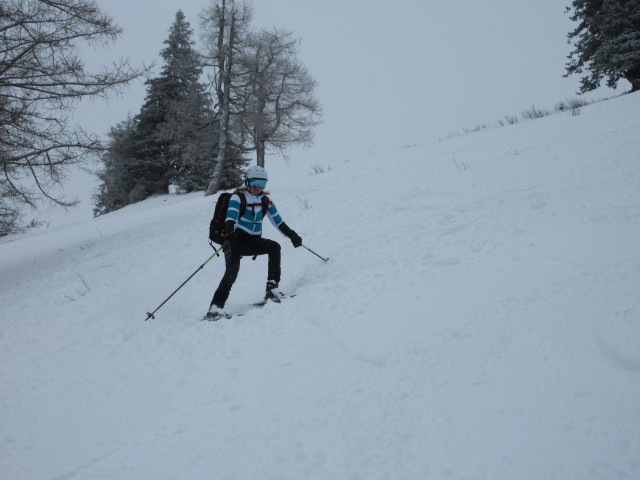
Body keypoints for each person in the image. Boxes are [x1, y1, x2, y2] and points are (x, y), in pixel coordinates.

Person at [207, 165, 302, 319]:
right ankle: (215, 308)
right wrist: (229, 231)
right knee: (232, 272)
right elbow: (231, 216)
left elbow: (278, 222)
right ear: (247, 181)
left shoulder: (266, 201)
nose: (258, 188)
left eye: (262, 184)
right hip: (234, 240)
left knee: (274, 247)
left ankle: (272, 289)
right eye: (255, 183)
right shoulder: (238, 197)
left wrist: (292, 235)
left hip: (252, 242)